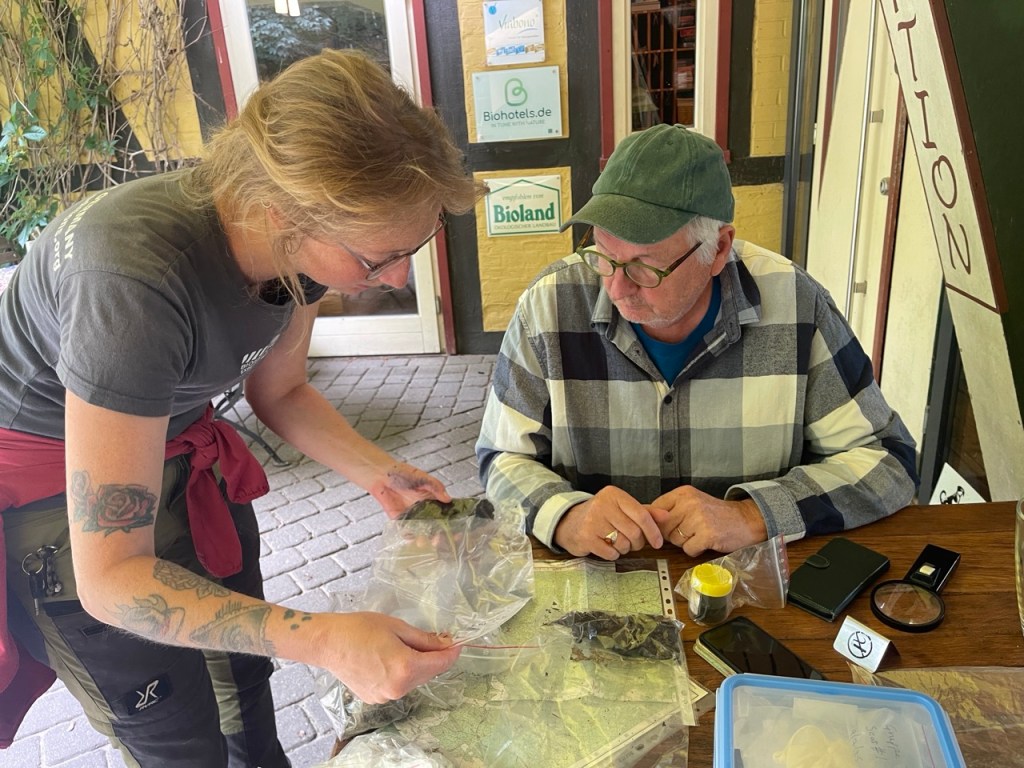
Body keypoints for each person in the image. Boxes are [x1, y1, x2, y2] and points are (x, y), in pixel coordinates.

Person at [0, 50, 481, 766]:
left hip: (178, 443)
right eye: (377, 258)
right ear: (280, 211)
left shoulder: (296, 248)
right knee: (173, 726)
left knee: (244, 676)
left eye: (411, 247)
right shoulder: (133, 278)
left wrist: (380, 472)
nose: (396, 277)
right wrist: (323, 635)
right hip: (55, 483)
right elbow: (112, 581)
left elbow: (279, 390)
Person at [476, 124, 918, 561]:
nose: (615, 289)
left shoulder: (797, 306)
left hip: (750, 595)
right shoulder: (548, 306)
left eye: (645, 267)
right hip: (595, 592)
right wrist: (566, 515)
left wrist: (753, 516)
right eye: (604, 256)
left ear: (719, 249)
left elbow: (887, 460)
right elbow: (501, 456)